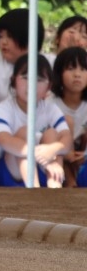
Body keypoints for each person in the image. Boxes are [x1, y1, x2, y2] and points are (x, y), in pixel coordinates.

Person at [0, 54, 69, 187]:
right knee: (25, 133)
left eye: (39, 79)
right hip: (10, 175)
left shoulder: (51, 109)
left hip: (43, 170)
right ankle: (34, 192)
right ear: (13, 80)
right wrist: (42, 157)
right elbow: (4, 140)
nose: (31, 84)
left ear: (49, 87)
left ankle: (54, 187)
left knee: (52, 135)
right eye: (26, 78)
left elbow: (67, 140)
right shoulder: (2, 109)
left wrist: (52, 150)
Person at [50, 46, 87, 185]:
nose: (77, 74)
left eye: (83, 69)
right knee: (67, 121)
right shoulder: (51, 103)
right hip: (58, 151)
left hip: (81, 152)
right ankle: (69, 180)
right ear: (59, 74)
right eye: (71, 69)